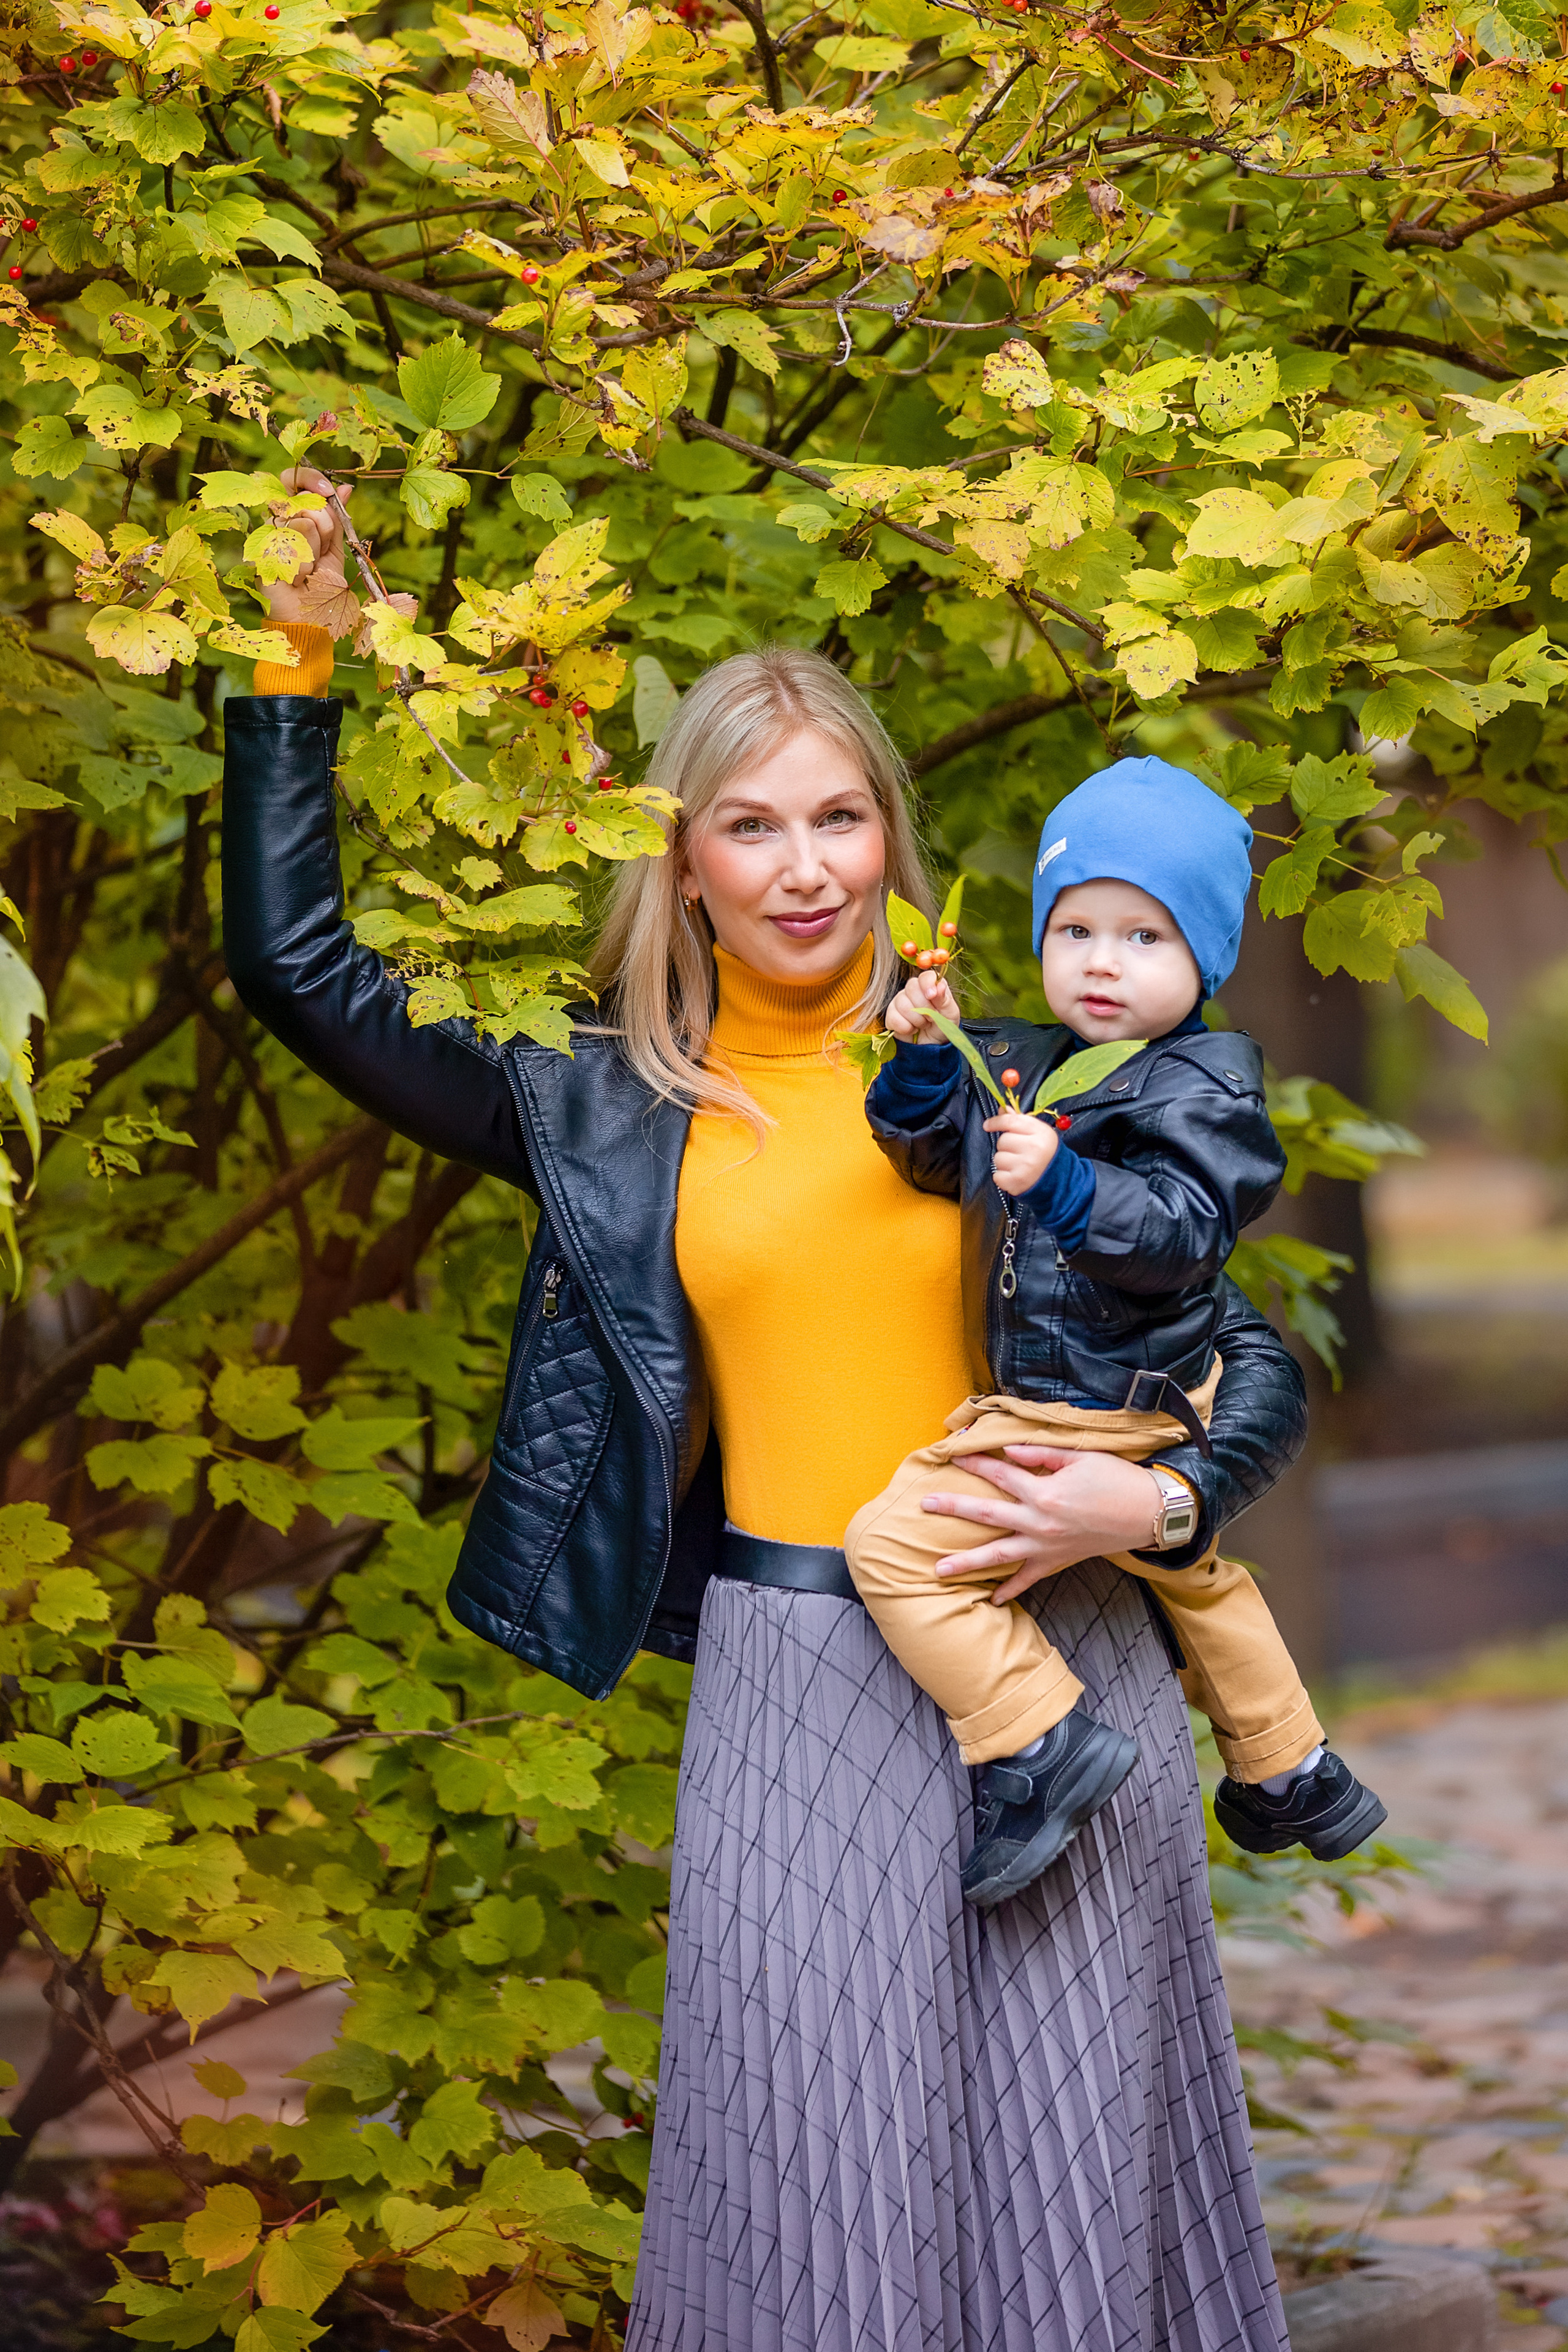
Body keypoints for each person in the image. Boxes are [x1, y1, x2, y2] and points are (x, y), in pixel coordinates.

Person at [224, 470, 1306, 2351]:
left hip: (1059, 1666)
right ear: (688, 856)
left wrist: (1166, 1512)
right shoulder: (603, 1099)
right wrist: (294, 659)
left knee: (1064, 2178)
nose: (804, 867)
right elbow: (301, 975)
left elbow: (1258, 1351)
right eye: (752, 825)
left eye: (839, 818)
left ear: (893, 839)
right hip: (793, 1675)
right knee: (807, 2178)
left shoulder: (1018, 1067)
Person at [844, 758, 1386, 1909]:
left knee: (891, 1552)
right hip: (1108, 1398)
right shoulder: (1025, 1062)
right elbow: (933, 1154)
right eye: (1077, 927)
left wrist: (1069, 1185)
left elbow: (1185, 1235)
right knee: (1195, 1577)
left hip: (1090, 1404)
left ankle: (1034, 1736)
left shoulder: (1205, 1090)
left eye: (1146, 937)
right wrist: (921, 1059)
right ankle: (1293, 1767)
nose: (1101, 961)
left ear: (1204, 958)